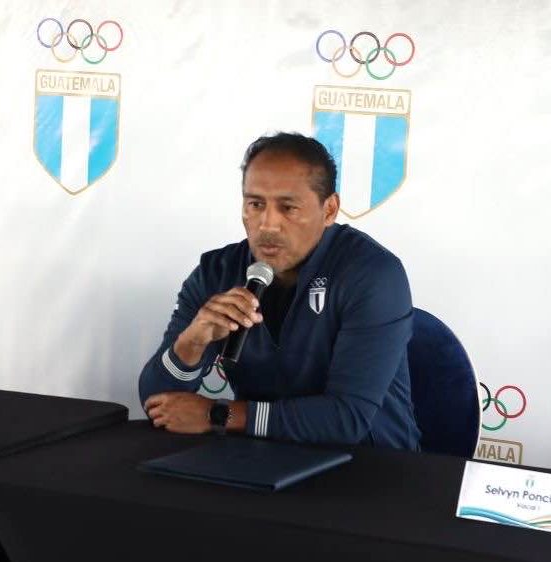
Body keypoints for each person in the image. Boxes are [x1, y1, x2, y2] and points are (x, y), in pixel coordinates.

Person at [139, 132, 420, 449]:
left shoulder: (373, 274)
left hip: (371, 463)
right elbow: (157, 403)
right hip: (262, 455)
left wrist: (219, 415)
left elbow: (347, 419)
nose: (268, 225)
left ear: (329, 210)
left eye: (288, 208)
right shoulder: (216, 272)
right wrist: (191, 342)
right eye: (255, 204)